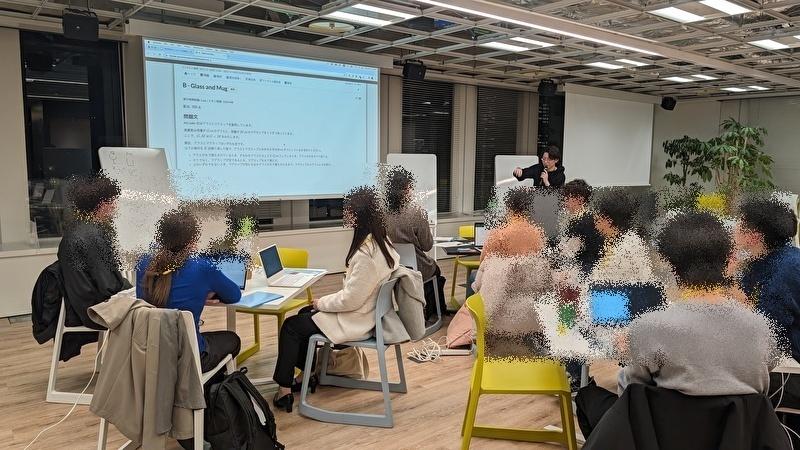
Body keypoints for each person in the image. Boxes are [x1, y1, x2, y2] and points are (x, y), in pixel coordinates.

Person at [576, 211, 780, 438]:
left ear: (670, 264)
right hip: (739, 439)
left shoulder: (649, 327)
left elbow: (629, 395)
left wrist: (632, 349)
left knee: (588, 397)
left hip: (665, 437)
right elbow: (764, 380)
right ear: (728, 260)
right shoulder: (762, 327)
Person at [271, 186, 400, 412]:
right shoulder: (383, 244)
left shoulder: (366, 255)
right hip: (368, 314)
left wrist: (321, 302)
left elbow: (351, 300)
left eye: (347, 210)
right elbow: (355, 295)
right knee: (303, 315)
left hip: (356, 320)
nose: (344, 214)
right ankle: (305, 375)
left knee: (291, 327)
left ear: (358, 215)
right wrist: (321, 303)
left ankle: (284, 390)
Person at [136, 209, 242, 374]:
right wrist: (204, 293)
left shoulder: (144, 262)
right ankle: (203, 385)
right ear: (192, 241)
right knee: (232, 340)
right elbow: (234, 295)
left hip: (148, 352)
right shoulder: (202, 267)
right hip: (188, 356)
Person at [733, 197, 800, 443]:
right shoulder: (765, 261)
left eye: (739, 223)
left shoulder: (785, 269)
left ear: (754, 235)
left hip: (791, 372)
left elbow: (765, 329)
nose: (734, 227)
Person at [57, 173, 132, 359]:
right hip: (95, 310)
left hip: (81, 304)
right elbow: (109, 286)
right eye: (112, 201)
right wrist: (136, 293)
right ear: (101, 204)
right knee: (155, 313)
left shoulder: (76, 230)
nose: (115, 206)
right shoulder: (93, 236)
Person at [384, 166, 446, 322]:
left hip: (394, 266)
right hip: (418, 267)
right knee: (435, 270)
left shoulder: (384, 214)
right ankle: (434, 311)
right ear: (406, 189)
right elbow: (427, 246)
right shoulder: (416, 212)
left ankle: (417, 308)